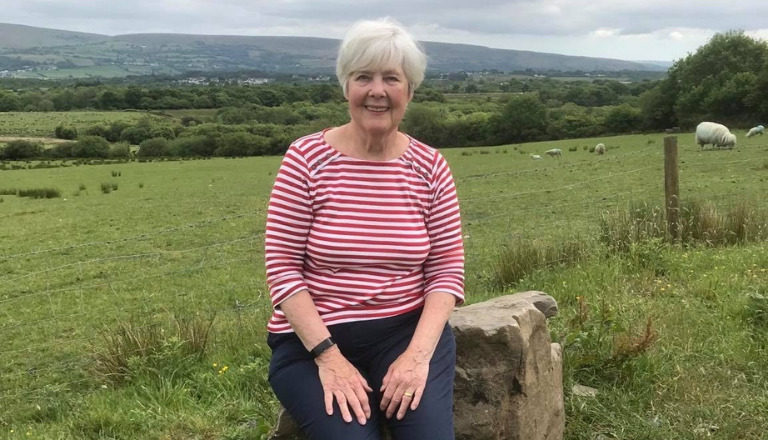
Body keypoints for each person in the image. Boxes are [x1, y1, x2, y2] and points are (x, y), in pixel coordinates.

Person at [264, 17, 464, 440]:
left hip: (405, 333)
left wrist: (418, 356)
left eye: (391, 78)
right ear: (346, 87)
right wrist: (329, 358)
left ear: (409, 90)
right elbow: (282, 267)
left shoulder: (430, 167)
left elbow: (447, 270)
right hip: (311, 343)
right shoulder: (306, 159)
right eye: (363, 77)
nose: (377, 90)